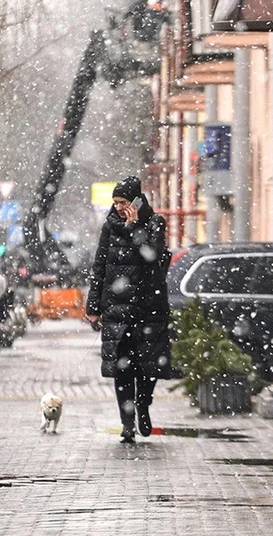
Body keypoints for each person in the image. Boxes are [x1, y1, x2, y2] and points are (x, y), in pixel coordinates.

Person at [86, 176, 172, 443]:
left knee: (148, 368)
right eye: (116, 203)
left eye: (123, 202)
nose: (119, 207)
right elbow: (99, 267)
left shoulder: (155, 223)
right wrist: (93, 307)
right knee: (122, 369)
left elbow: (153, 257)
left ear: (136, 200)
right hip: (117, 310)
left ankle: (143, 404)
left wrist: (135, 228)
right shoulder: (110, 227)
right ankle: (126, 423)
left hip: (149, 308)